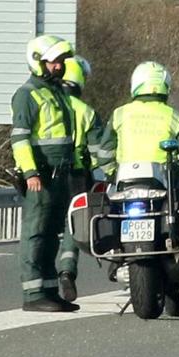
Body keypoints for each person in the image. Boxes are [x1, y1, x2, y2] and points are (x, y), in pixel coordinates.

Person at [11, 35, 79, 312]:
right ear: (38, 61)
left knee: (52, 234)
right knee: (35, 234)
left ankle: (50, 291)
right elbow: (20, 138)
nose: (59, 66)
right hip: (41, 175)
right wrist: (30, 173)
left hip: (60, 175)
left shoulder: (57, 92)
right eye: (54, 61)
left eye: (61, 62)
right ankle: (32, 294)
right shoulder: (27, 95)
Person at [97, 62, 179, 187]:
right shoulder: (175, 116)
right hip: (165, 187)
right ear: (166, 86)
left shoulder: (119, 114)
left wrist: (113, 174)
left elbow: (104, 157)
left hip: (124, 185)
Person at [54, 55, 107, 302]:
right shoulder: (86, 112)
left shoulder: (48, 105)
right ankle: (67, 271)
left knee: (41, 228)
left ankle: (39, 281)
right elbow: (99, 153)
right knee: (70, 227)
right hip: (77, 176)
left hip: (46, 174)